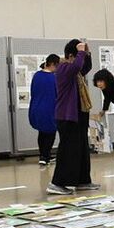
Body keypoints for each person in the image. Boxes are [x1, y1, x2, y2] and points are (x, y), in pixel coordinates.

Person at [48, 39, 99, 195]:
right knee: (67, 150)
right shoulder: (64, 68)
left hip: (79, 114)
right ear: (71, 55)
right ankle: (57, 183)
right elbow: (77, 65)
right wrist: (81, 52)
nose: (81, 60)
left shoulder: (76, 72)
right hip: (67, 116)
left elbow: (85, 66)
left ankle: (82, 180)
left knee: (82, 149)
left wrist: (87, 52)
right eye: (79, 56)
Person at [29, 53, 60, 166]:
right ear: (52, 64)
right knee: (50, 133)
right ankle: (45, 156)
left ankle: (43, 154)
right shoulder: (53, 78)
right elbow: (58, 95)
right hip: (50, 108)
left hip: (36, 108)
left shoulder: (36, 75)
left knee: (42, 132)